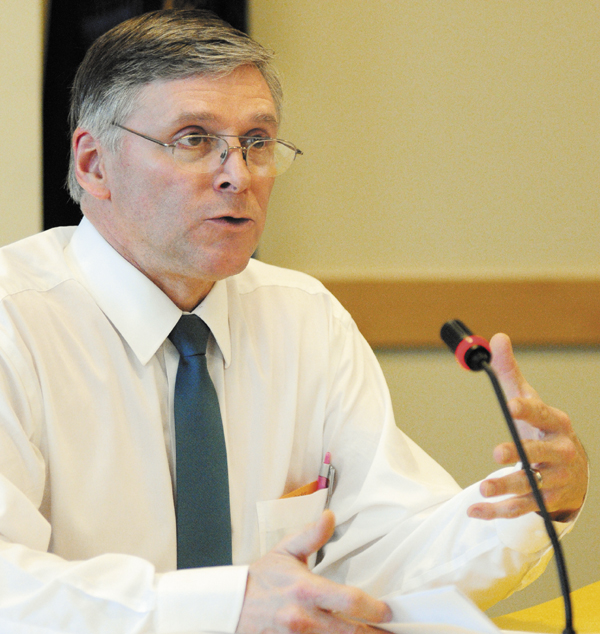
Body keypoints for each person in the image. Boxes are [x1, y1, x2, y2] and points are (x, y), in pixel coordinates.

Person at [0, 9, 588, 634]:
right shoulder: (16, 320)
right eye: (194, 139)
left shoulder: (303, 317)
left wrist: (531, 501)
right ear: (94, 164)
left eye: (257, 142)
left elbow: (385, 555)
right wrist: (223, 609)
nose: (238, 174)